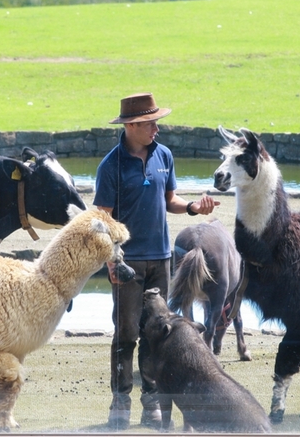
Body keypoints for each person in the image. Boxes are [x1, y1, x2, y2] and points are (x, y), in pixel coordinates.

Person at [94, 92, 219, 430]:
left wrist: (192, 207)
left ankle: (151, 404)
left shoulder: (164, 155)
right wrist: (112, 262)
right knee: (126, 333)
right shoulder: (110, 166)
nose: (156, 129)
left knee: (155, 334)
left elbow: (169, 200)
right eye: (150, 123)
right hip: (127, 262)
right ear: (131, 126)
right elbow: (101, 220)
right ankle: (120, 402)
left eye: (156, 122)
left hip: (161, 259)